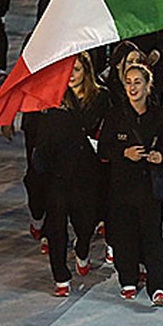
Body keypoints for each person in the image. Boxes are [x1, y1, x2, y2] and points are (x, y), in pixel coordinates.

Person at [32, 53, 109, 296]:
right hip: (57, 174)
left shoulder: (101, 97)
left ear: (86, 70)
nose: (72, 75)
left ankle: (83, 248)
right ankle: (61, 277)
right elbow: (41, 137)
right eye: (67, 70)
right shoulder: (52, 100)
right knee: (56, 228)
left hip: (88, 174)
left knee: (85, 224)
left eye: (76, 69)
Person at [100, 62, 163, 304]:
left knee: (153, 236)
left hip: (149, 188)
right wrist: (124, 153)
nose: (132, 87)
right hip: (121, 186)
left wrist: (160, 156)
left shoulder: (159, 115)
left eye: (137, 82)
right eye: (128, 82)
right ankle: (128, 278)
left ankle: (159, 286)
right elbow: (104, 148)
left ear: (148, 85)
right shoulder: (115, 114)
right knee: (124, 235)